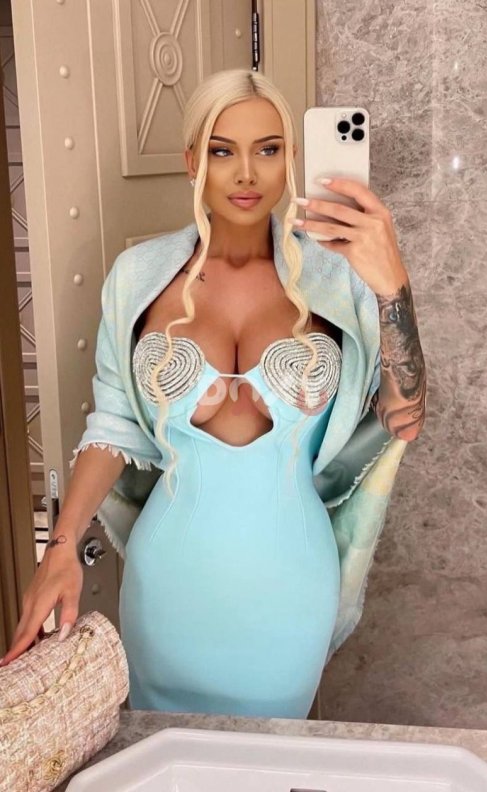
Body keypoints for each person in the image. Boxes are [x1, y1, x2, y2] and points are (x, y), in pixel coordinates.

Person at [0, 69, 426, 718]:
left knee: (269, 759)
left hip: (291, 587)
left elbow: (405, 413)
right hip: (167, 589)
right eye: (223, 150)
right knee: (165, 757)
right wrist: (59, 548)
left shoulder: (337, 278)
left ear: (290, 157)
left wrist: (393, 286)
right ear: (192, 160)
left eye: (268, 149)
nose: (246, 173)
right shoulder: (138, 277)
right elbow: (112, 425)